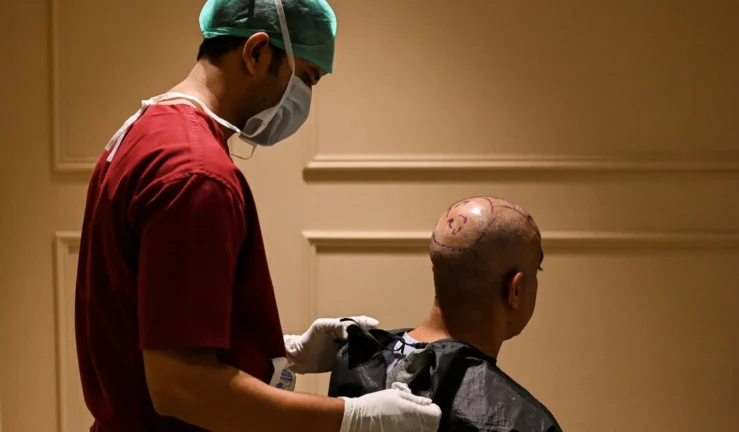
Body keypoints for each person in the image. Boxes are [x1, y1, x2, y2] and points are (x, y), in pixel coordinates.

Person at [74, 0, 441, 431]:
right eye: (307, 78)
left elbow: (150, 320)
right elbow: (182, 386)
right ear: (257, 52)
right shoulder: (196, 174)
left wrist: (279, 351)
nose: (305, 98)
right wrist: (351, 418)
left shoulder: (146, 131)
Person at [327, 196, 563, 431]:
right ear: (516, 290)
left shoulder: (354, 359)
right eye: (537, 270)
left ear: (435, 268)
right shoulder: (523, 422)